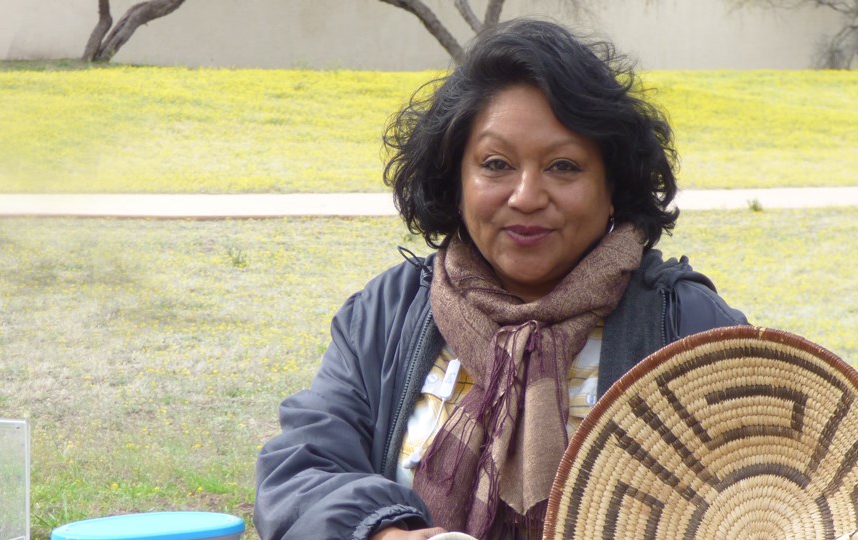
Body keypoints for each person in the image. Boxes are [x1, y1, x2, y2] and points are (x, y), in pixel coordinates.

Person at [254, 18, 748, 540]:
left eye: (563, 166)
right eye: (496, 164)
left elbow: (779, 494)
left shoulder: (687, 325)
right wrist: (384, 535)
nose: (527, 196)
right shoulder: (385, 315)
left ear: (613, 185)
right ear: (455, 180)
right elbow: (301, 469)